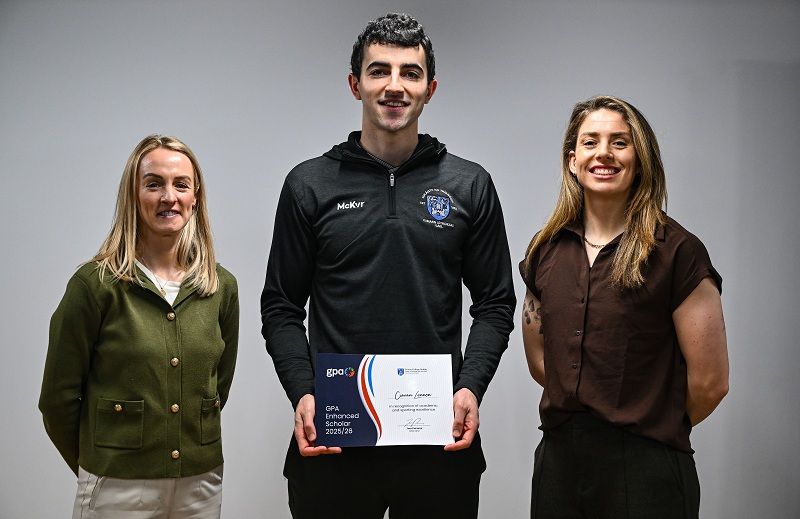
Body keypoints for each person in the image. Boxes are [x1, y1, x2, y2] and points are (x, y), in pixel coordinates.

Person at [261, 13, 515, 519]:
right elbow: (281, 306)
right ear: (355, 84)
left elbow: (495, 303)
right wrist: (303, 392)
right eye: (379, 71)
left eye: (410, 73)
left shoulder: (469, 185)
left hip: (437, 442)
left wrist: (470, 386)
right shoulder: (309, 185)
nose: (394, 86)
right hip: (336, 437)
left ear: (430, 89)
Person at [520, 95, 729, 518]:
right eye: (590, 142)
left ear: (640, 158)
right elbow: (543, 362)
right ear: (572, 160)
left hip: (646, 466)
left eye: (620, 142)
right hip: (559, 463)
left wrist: (649, 423)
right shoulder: (545, 250)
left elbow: (711, 382)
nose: (604, 153)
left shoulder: (678, 252)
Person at [39, 135, 239, 519]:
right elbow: (56, 399)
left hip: (201, 483)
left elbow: (218, 386)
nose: (169, 197)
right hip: (117, 485)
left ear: (196, 197)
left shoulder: (220, 287)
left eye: (181, 184)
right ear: (134, 195)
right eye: (154, 184)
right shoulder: (95, 286)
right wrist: (99, 465)